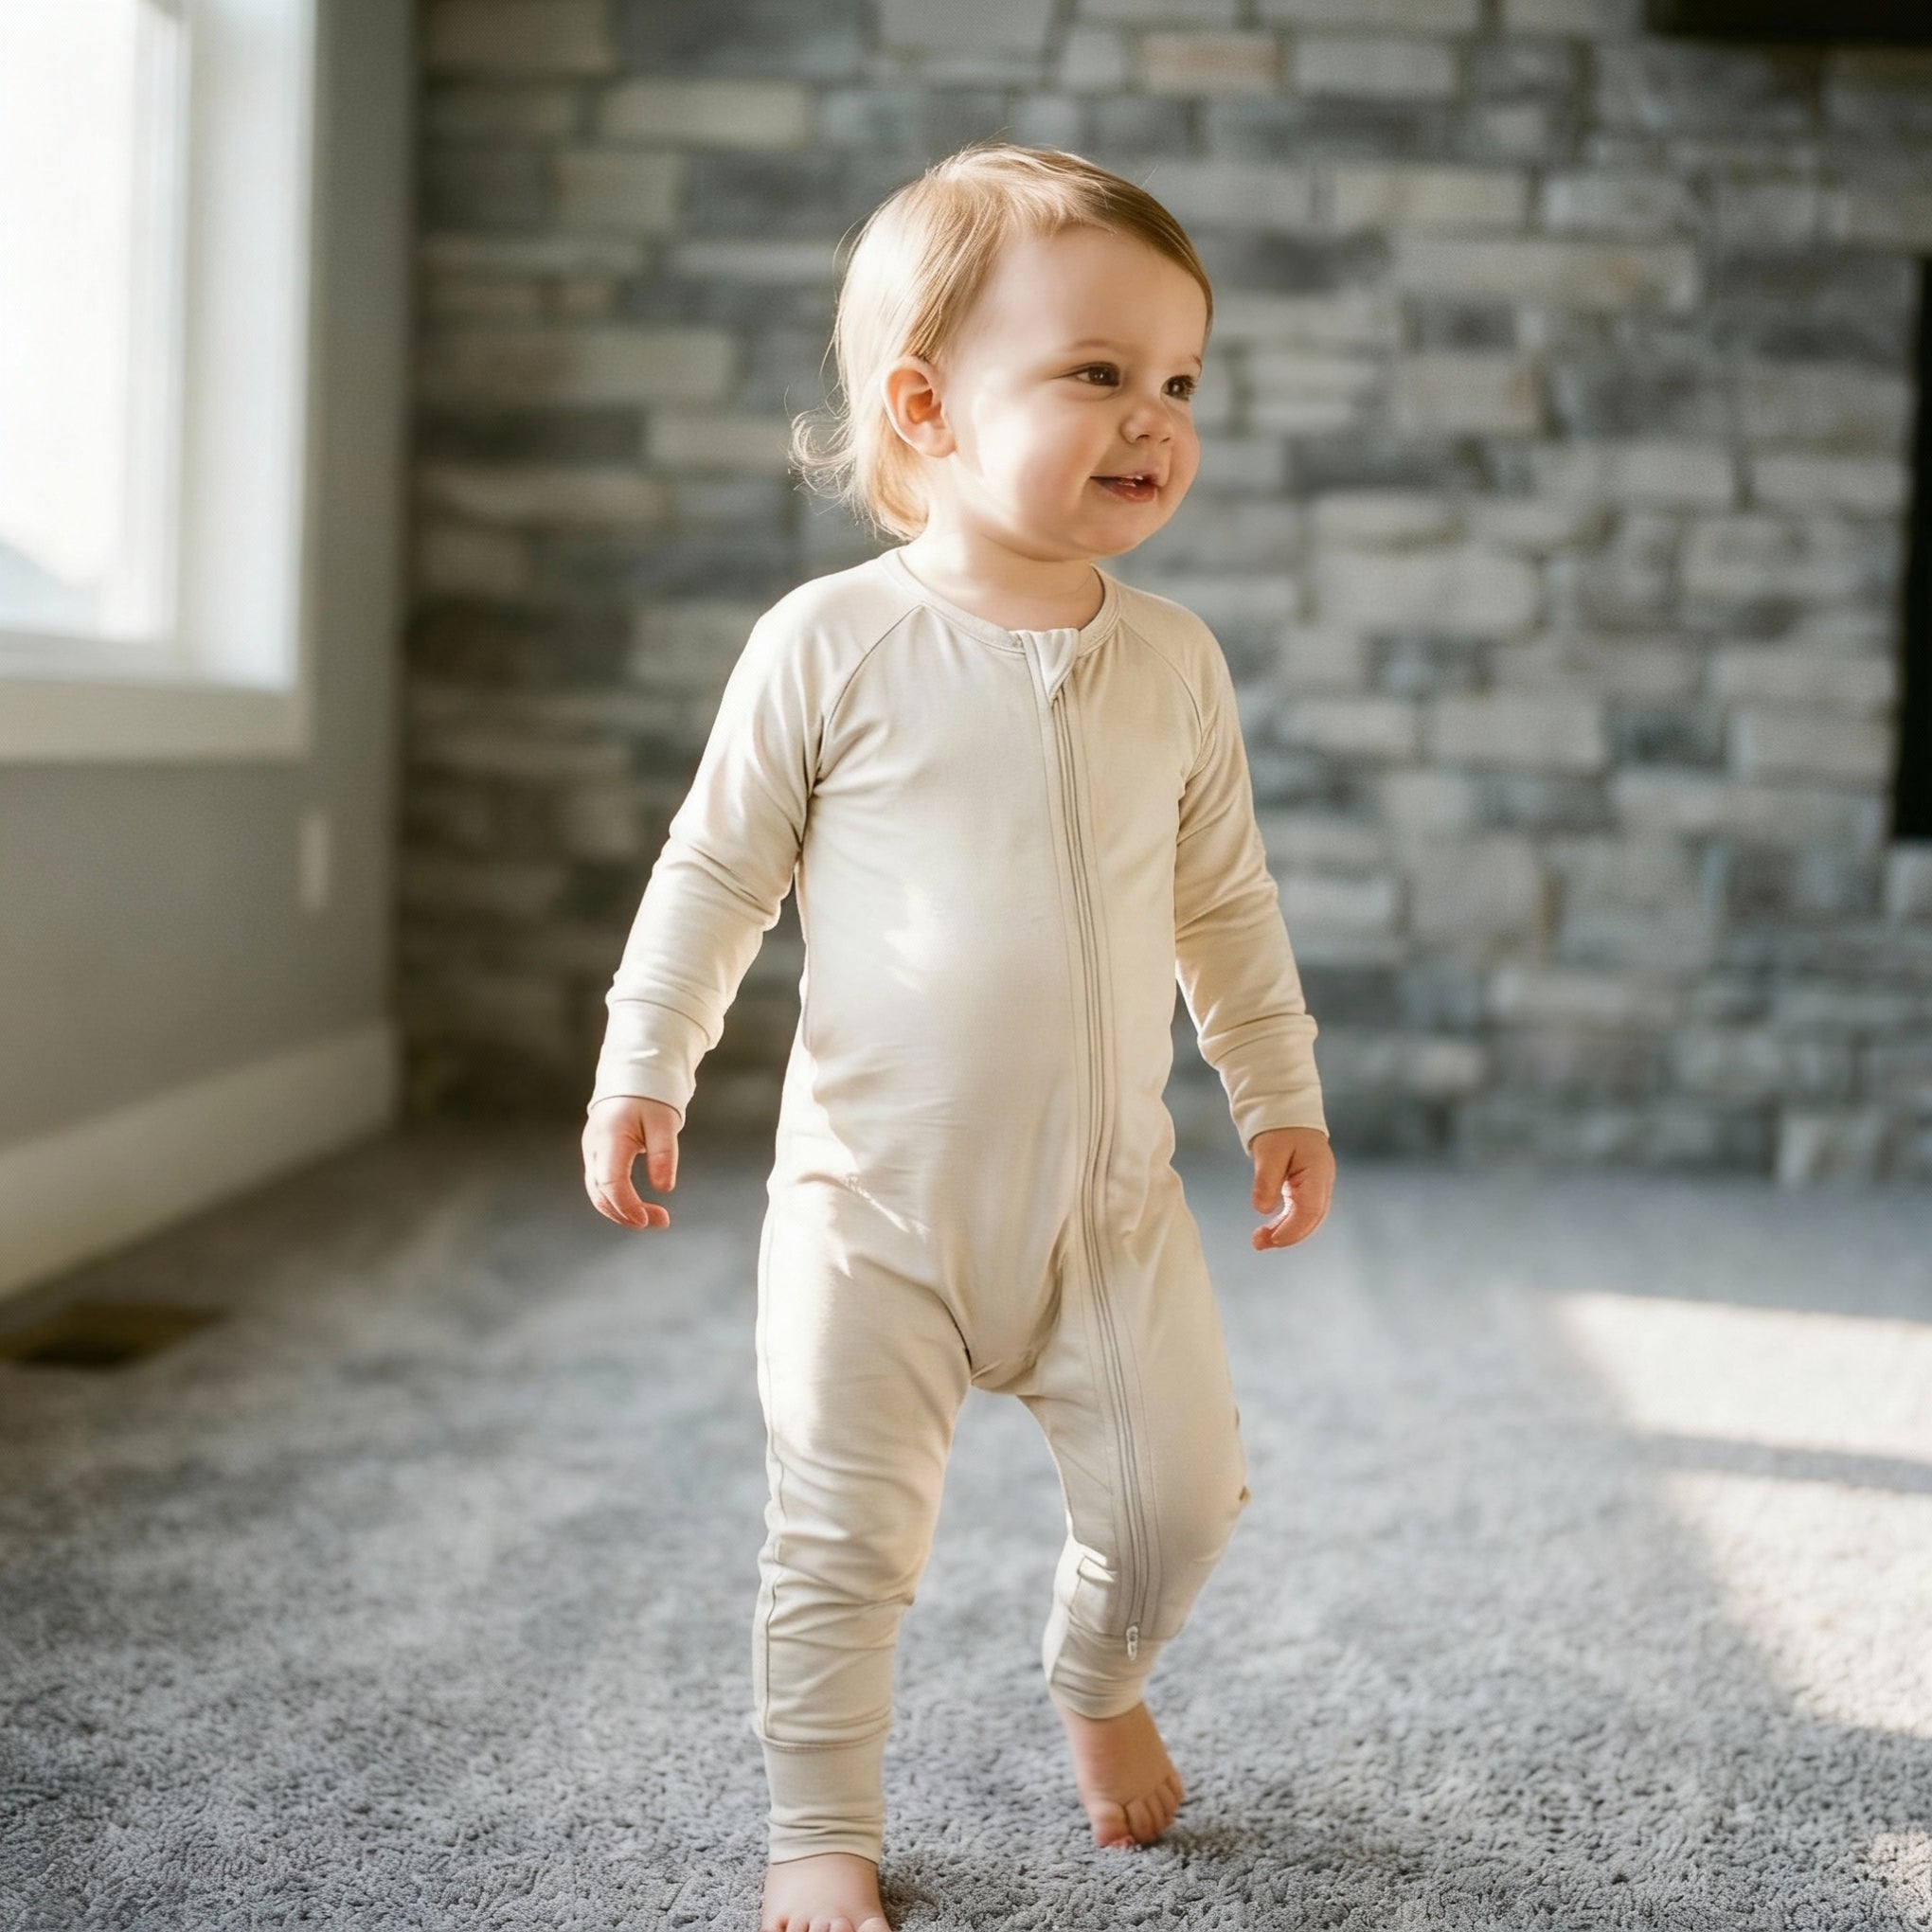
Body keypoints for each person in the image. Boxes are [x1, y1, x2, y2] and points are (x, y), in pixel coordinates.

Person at [581, 140, 1335, 1932]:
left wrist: (1277, 1092)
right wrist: (645, 1062)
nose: (1153, 419)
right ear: (924, 405)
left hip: (1112, 1211)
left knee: (1181, 1513)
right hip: (876, 1214)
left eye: (1178, 382)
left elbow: (1224, 902)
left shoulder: (1176, 665)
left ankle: (1095, 1677)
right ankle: (820, 1825)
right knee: (843, 1547)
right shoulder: (828, 644)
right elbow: (712, 878)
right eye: (1096, 375)